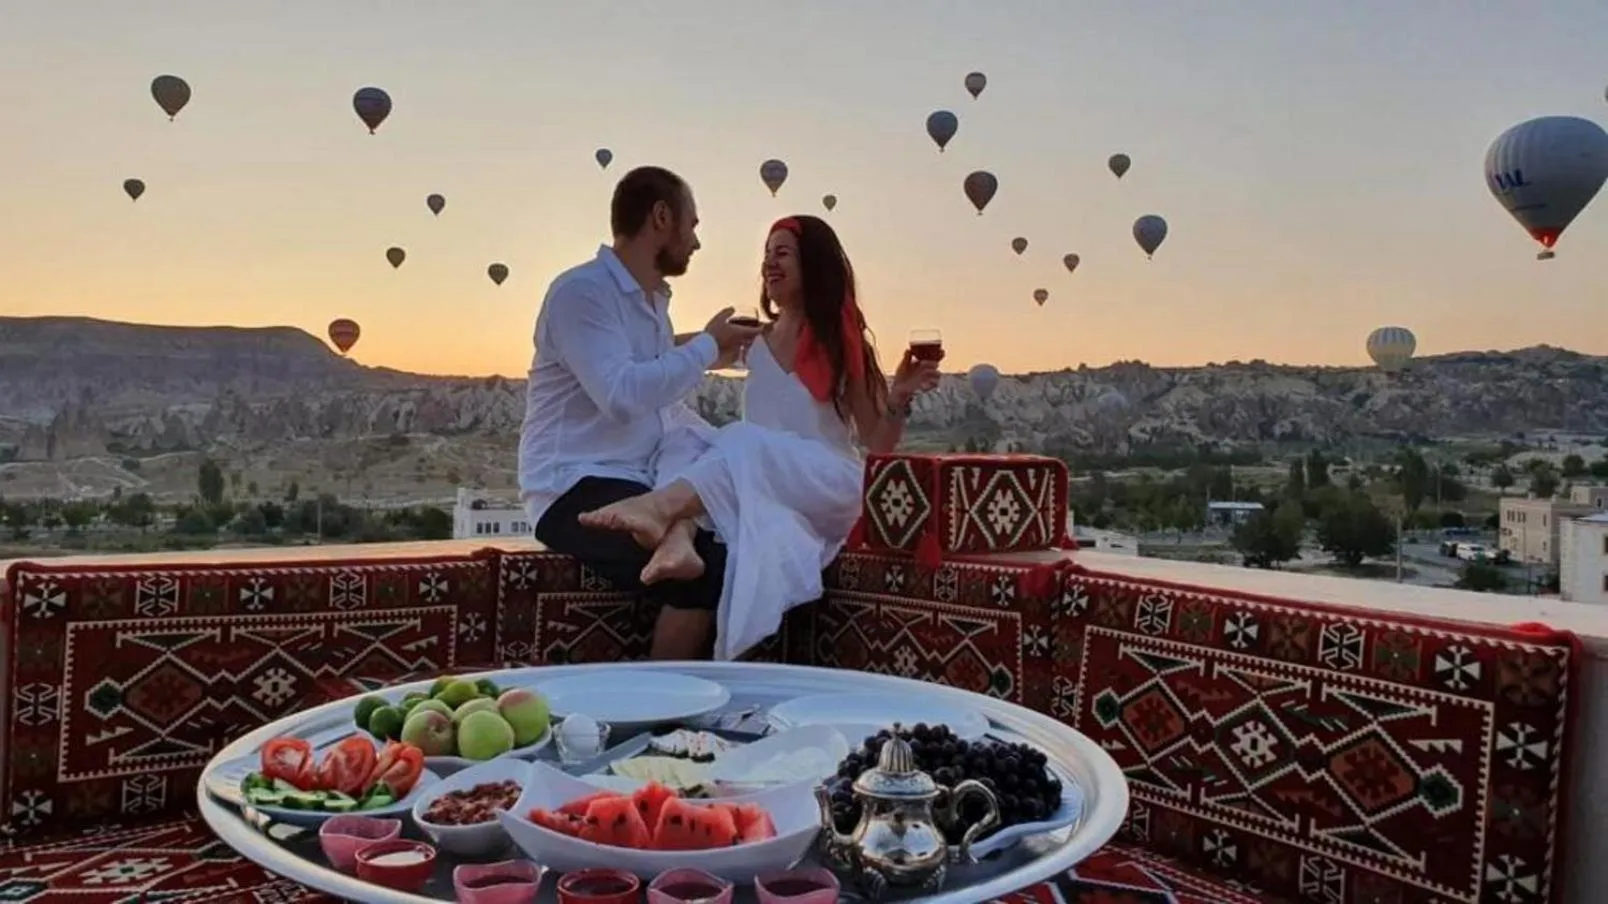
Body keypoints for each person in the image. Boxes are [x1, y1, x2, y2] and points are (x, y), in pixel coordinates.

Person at [580, 215, 943, 660]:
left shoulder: (841, 344)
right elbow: (662, 351)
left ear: (813, 264)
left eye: (782, 252)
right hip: (754, 477)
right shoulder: (752, 340)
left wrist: (900, 395)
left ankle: (660, 510)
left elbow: (879, 442)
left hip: (824, 482)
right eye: (767, 253)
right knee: (682, 438)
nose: (769, 263)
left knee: (743, 439)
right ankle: (678, 540)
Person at [518, 166, 761, 661]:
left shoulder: (651, 304)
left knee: (746, 533)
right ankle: (664, 715)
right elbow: (622, 393)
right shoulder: (581, 293)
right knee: (708, 572)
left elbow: (651, 369)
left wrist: (720, 348)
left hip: (639, 481)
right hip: (571, 486)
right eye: (692, 225)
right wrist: (708, 346)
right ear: (662, 217)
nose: (695, 242)